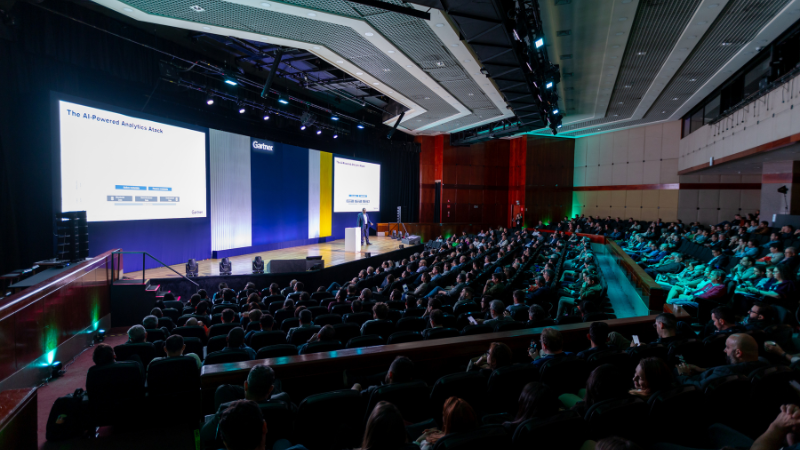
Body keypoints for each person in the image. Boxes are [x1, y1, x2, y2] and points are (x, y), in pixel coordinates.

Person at [676, 334, 767, 388]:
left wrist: (683, 374)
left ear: (738, 353)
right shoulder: (764, 363)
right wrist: (703, 369)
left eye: (727, 347)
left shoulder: (726, 372)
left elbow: (697, 387)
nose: (724, 350)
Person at [561, 364, 631, 415]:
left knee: (563, 396)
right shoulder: (632, 400)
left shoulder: (581, 410)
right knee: (581, 391)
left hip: (591, 404)